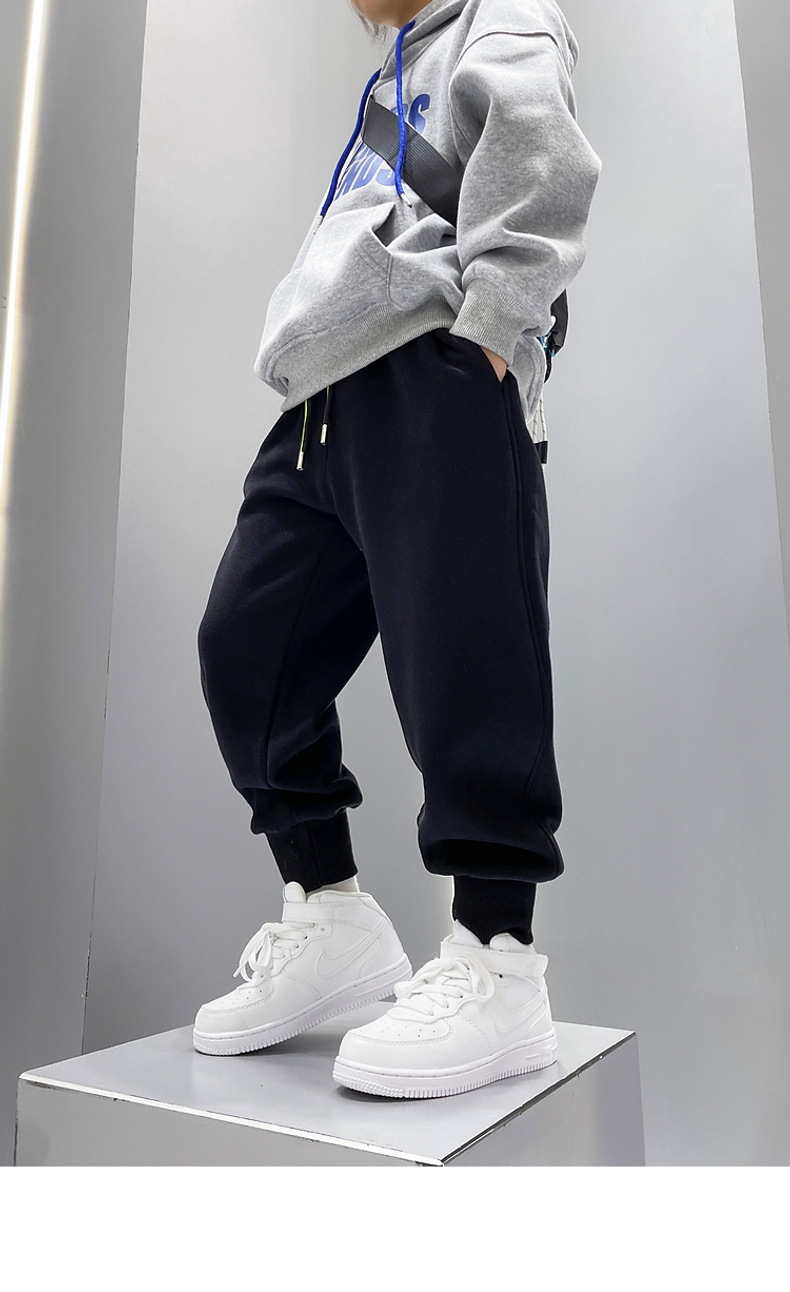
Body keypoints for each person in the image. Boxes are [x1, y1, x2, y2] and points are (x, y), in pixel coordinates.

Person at [193, 0, 602, 1099]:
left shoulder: (503, 17)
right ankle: (329, 912)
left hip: (433, 370)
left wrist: (490, 340)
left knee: (464, 660)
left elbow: (538, 149)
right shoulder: (395, 70)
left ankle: (499, 957)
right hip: (324, 395)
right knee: (245, 650)